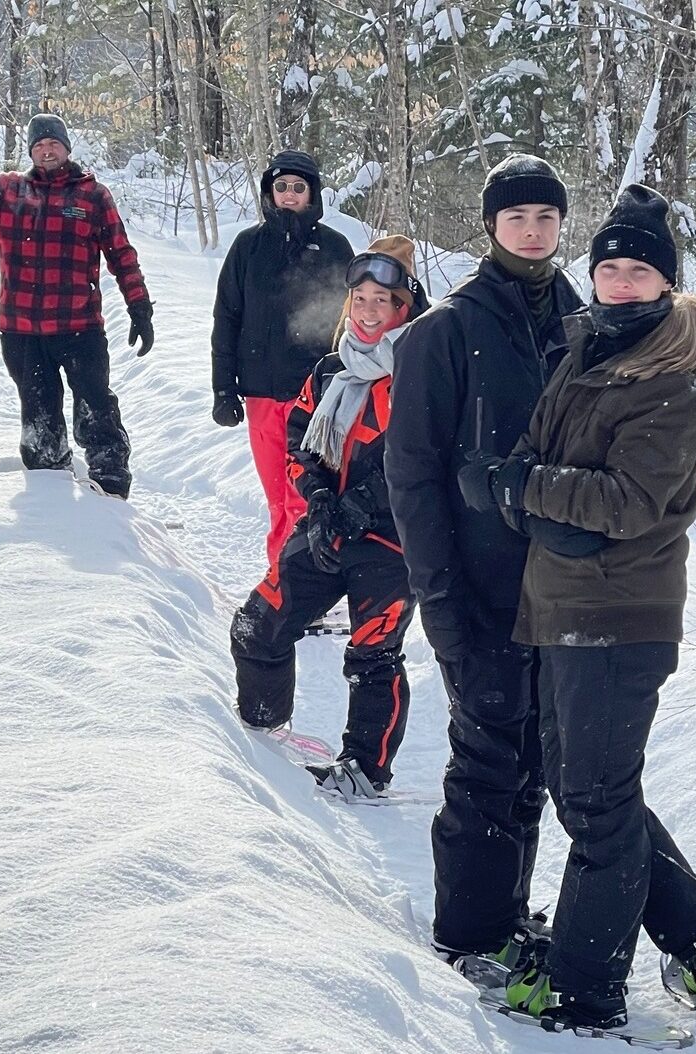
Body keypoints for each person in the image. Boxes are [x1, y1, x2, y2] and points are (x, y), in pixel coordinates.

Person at [457, 184, 696, 1031]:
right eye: (608, 267)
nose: (619, 282)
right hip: (562, 604)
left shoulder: (676, 388)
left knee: (594, 804)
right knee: (594, 792)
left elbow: (621, 505)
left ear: (667, 284)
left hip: (620, 619)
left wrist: (519, 490)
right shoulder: (585, 352)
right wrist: (529, 491)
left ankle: (586, 992)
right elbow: (545, 464)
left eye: (638, 271)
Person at [384, 155, 584, 966]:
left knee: (534, 760)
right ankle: (468, 933)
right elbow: (413, 475)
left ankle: (508, 916)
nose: (532, 232)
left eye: (545, 218)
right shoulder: (445, 332)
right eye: (516, 219)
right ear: (490, 227)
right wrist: (441, 601)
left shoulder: (583, 323)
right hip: (479, 588)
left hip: (567, 591)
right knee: (486, 760)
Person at [230, 237, 426, 800]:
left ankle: (366, 769)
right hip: (325, 530)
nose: (368, 311)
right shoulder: (328, 371)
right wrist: (317, 500)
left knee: (373, 655)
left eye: (381, 301)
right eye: (359, 298)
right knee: (256, 626)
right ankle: (262, 732)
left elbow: (425, 457)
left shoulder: (420, 371)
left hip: (390, 542)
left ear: (401, 310)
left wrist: (363, 505)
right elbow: (300, 442)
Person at [0, 81, 152, 499]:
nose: (47, 151)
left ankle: (110, 485)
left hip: (79, 327)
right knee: (39, 416)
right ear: (31, 152)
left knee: (95, 406)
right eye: (39, 145)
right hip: (22, 331)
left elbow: (121, 255)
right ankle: (49, 497)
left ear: (67, 149)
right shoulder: (7, 192)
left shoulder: (92, 195)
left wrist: (139, 306)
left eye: (54, 143)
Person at [211, 150, 355, 567]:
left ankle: (314, 584)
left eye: (298, 187)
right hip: (261, 396)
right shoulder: (247, 248)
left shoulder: (334, 247)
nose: (289, 195)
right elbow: (227, 318)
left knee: (310, 495)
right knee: (278, 497)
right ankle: (283, 578)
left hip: (317, 400)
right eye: (281, 187)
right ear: (269, 194)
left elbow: (354, 319)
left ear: (312, 193)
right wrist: (223, 389)